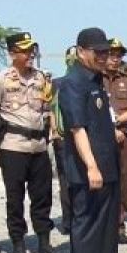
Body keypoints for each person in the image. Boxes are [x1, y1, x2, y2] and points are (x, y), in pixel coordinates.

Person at [57, 28, 127, 253]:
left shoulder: (96, 81)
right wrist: (91, 165)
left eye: (106, 52)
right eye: (98, 52)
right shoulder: (73, 83)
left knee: (106, 220)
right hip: (87, 168)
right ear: (81, 51)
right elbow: (77, 129)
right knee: (88, 220)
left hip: (108, 163)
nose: (104, 57)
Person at [0, 31, 58, 253]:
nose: (30, 55)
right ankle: (18, 243)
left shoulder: (41, 78)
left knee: (42, 196)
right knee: (15, 198)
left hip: (38, 146)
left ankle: (44, 241)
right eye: (24, 51)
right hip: (13, 146)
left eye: (31, 50)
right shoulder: (0, 80)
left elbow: (47, 109)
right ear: (12, 54)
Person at [105, 38, 127, 244]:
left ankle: (119, 224)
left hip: (124, 137)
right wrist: (110, 128)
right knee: (102, 181)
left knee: (123, 179)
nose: (115, 59)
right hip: (101, 139)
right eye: (111, 54)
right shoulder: (94, 78)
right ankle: (104, 224)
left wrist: (117, 123)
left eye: (118, 55)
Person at [51, 45, 79, 235]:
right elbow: (51, 110)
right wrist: (55, 131)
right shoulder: (58, 83)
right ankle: (69, 220)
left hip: (78, 136)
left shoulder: (84, 81)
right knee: (66, 181)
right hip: (63, 137)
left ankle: (75, 220)